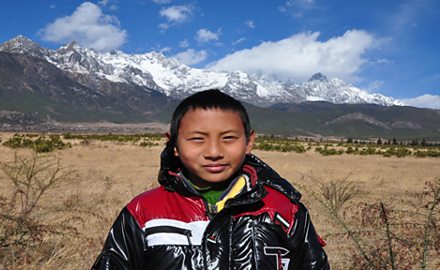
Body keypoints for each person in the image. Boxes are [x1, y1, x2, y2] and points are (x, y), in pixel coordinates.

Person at [92, 89, 329, 270]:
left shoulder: (284, 210)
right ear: (173, 143)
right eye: (197, 139)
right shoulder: (144, 212)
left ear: (249, 142)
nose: (214, 151)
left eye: (228, 138)